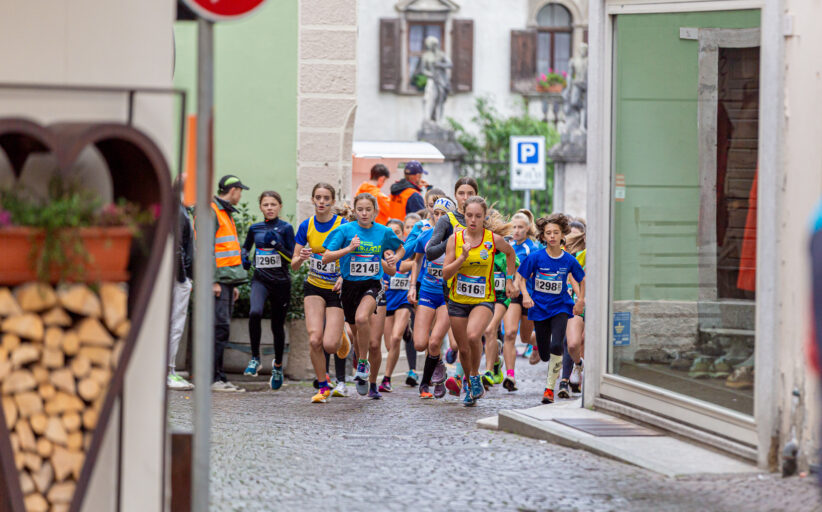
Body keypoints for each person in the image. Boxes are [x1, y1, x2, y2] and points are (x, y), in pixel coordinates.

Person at [322, 193, 403, 399]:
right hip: (349, 287)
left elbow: (400, 248)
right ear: (355, 211)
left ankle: (367, 370)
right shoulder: (344, 230)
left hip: (373, 285)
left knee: (365, 326)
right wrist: (349, 249)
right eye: (360, 209)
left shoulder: (383, 232)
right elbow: (326, 257)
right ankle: (363, 369)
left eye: (368, 209)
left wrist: (394, 258)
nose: (364, 213)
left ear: (375, 211)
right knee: (358, 335)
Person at [443, 196, 518, 406]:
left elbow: (511, 254)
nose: (473, 220)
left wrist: (510, 280)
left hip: (483, 299)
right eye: (469, 215)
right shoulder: (455, 240)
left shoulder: (492, 239)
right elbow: (445, 275)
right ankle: (470, 383)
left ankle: (474, 376)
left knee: (474, 335)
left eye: (478, 216)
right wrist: (461, 258)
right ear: (464, 215)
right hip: (457, 301)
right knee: (463, 348)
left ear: (484, 217)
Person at [291, 183, 351, 403]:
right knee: (315, 339)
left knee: (330, 345)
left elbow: (353, 256)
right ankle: (323, 386)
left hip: (336, 290)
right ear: (313, 200)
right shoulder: (306, 226)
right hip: (314, 286)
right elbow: (294, 264)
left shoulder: (342, 224)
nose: (322, 201)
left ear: (333, 201)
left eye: (326, 198)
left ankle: (342, 337)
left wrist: (343, 277)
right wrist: (302, 257)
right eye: (318, 197)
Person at [518, 213, 585, 404]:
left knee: (557, 345)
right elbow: (522, 278)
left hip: (561, 307)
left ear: (562, 235)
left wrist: (580, 300)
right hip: (539, 308)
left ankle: (549, 389)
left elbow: (582, 279)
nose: (553, 236)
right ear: (543, 236)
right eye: (549, 233)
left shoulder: (569, 260)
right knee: (546, 353)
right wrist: (526, 295)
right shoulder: (536, 257)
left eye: (556, 232)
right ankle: (542, 350)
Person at [240, 191, 295, 390]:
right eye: (265, 204)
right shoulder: (255, 228)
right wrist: (244, 256)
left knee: (277, 326)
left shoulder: (286, 228)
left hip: (281, 282)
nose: (269, 208)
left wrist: (279, 246)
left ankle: (278, 366)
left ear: (280, 206)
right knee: (254, 312)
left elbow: (292, 258)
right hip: (260, 280)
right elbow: (245, 247)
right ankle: (255, 358)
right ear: (261, 207)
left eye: (273, 204)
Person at [409, 197, 456, 398]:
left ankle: (425, 384)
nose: (438, 218)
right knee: (420, 343)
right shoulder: (425, 236)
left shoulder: (458, 239)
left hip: (448, 295)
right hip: (427, 291)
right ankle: (439, 366)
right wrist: (412, 286)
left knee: (435, 341)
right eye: (435, 213)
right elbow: (416, 261)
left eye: (443, 215)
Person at [211, 174, 250, 393]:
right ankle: (213, 378)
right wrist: (213, 281)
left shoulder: (224, 211)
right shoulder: (213, 211)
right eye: (240, 190)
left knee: (222, 329)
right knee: (218, 328)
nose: (240, 195)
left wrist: (232, 283)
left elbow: (227, 252)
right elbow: (204, 248)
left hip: (226, 281)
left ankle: (219, 377)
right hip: (217, 282)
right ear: (233, 190)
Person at [501, 210, 541, 392]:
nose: (516, 231)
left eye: (520, 228)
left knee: (525, 336)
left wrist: (518, 283)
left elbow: (527, 273)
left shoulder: (531, 248)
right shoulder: (507, 244)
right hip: (512, 296)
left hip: (528, 296)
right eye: (514, 227)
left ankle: (537, 343)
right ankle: (510, 375)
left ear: (527, 229)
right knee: (509, 333)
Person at [378, 219, 415, 392]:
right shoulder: (380, 254)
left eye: (398, 232)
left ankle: (386, 379)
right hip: (386, 303)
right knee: (389, 345)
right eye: (390, 231)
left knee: (395, 338)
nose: (394, 235)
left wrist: (412, 285)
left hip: (403, 302)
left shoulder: (405, 255)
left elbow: (416, 264)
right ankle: (406, 330)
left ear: (402, 235)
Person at [481, 225, 519, 389]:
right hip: (485, 297)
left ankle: (489, 371)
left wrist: (514, 284)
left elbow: (516, 270)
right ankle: (496, 362)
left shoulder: (506, 254)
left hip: (502, 297)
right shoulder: (482, 252)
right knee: (485, 332)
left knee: (490, 329)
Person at [168, 177, 194, 391]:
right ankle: (168, 371)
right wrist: (183, 277)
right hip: (177, 278)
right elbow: (177, 246)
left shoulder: (178, 209)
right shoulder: (178, 210)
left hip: (175, 275)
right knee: (175, 324)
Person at [559, 221, 586, 397]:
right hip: (571, 303)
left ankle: (572, 376)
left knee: (579, 342)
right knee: (569, 343)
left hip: (592, 305)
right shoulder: (575, 256)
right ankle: (577, 367)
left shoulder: (588, 255)